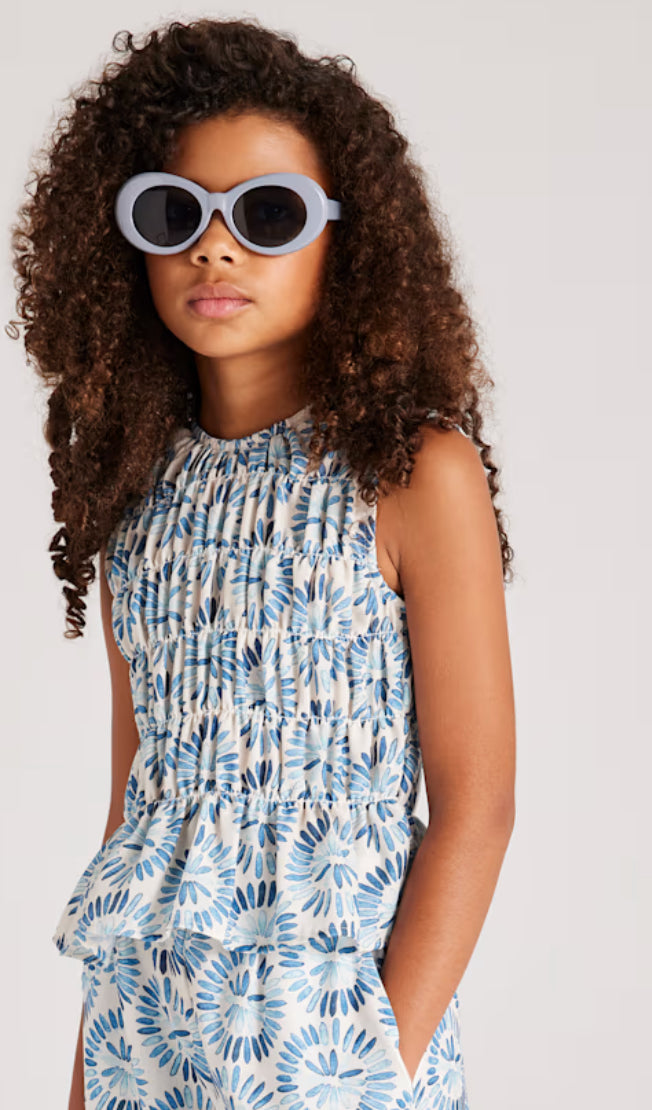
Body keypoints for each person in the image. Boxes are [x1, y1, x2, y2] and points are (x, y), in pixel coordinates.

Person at [7, 16, 516, 1110]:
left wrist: (375, 1063)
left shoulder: (413, 474)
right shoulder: (134, 497)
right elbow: (137, 809)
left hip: (337, 1055)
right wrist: (88, 1081)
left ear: (347, 239)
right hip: (149, 1039)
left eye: (267, 213)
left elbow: (477, 809)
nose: (215, 247)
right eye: (173, 213)